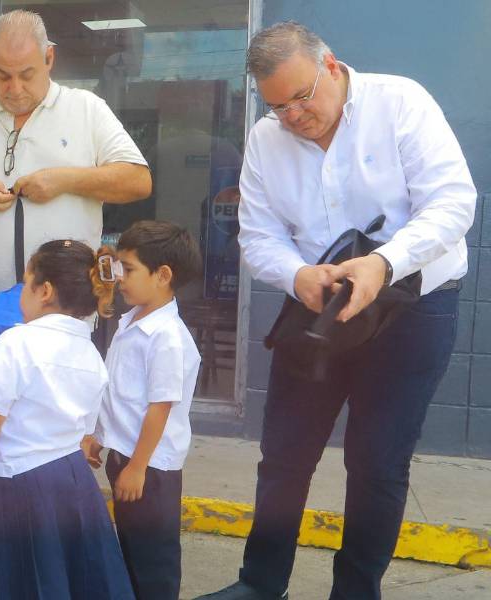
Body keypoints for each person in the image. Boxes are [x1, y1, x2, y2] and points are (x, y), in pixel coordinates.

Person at [196, 22, 476, 600]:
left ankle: (356, 591)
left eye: (303, 97)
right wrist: (297, 275)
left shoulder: (400, 103)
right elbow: (258, 236)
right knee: (284, 454)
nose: (294, 115)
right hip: (318, 308)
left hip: (413, 306)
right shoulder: (266, 139)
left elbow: (453, 202)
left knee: (377, 462)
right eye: (278, 106)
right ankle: (260, 583)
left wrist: (384, 263)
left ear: (331, 65)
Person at [0, 9, 151, 594]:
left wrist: (66, 178)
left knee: (55, 432)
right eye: (0, 75)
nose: (13, 89)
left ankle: (57, 548)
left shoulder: (86, 111)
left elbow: (137, 180)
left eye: (25, 75)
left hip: (61, 309)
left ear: (50, 62)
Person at [0, 239, 134, 600]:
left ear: (45, 290)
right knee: (67, 579)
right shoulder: (90, 352)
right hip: (74, 482)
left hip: (21, 483)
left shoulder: (17, 341)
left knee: (18, 582)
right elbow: (84, 431)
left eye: (25, 282)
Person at [83, 221, 202, 600]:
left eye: (129, 269)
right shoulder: (131, 321)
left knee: (154, 562)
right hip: (129, 459)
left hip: (151, 469)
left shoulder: (166, 337)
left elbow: (160, 407)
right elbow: (117, 391)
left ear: (163, 275)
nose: (119, 279)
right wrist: (99, 436)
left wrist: (136, 467)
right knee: (131, 551)